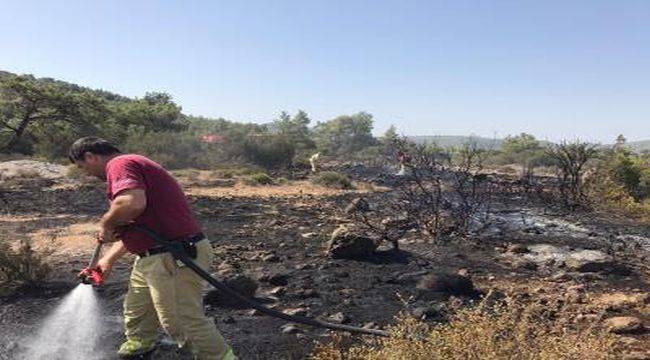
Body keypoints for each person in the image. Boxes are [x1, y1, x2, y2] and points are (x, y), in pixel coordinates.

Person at [68, 137, 236, 360]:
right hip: (154, 254)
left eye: (83, 166)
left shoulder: (120, 164)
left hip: (174, 255)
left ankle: (220, 356)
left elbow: (131, 203)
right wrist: (107, 260)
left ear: (90, 156)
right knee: (138, 305)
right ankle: (141, 343)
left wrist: (106, 223)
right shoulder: (132, 165)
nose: (86, 172)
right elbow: (141, 228)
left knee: (181, 319)